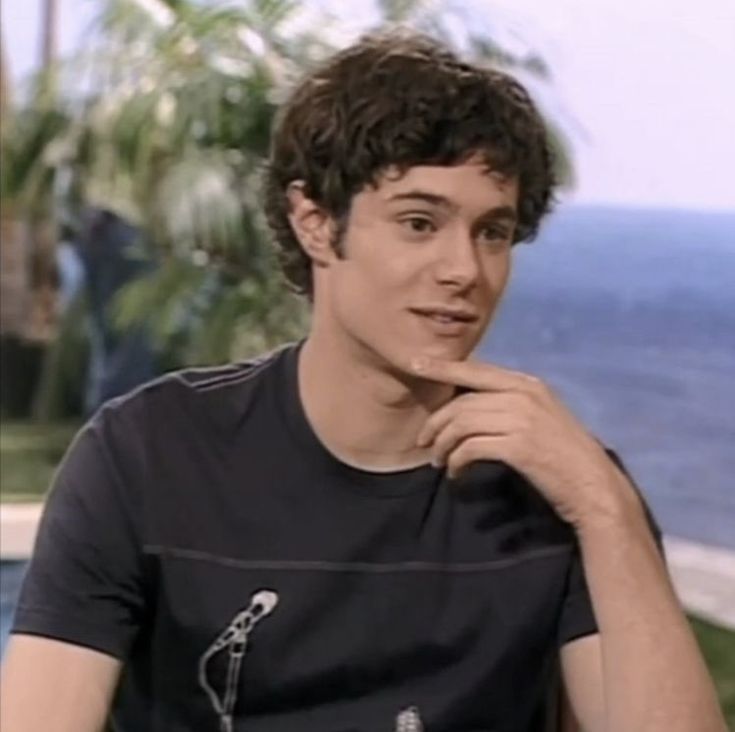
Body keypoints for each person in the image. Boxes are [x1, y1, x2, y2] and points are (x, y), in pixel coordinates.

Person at [0, 29, 726, 732]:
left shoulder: (558, 492)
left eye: (492, 233)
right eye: (418, 222)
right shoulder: (149, 456)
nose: (463, 271)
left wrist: (607, 509)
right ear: (314, 222)